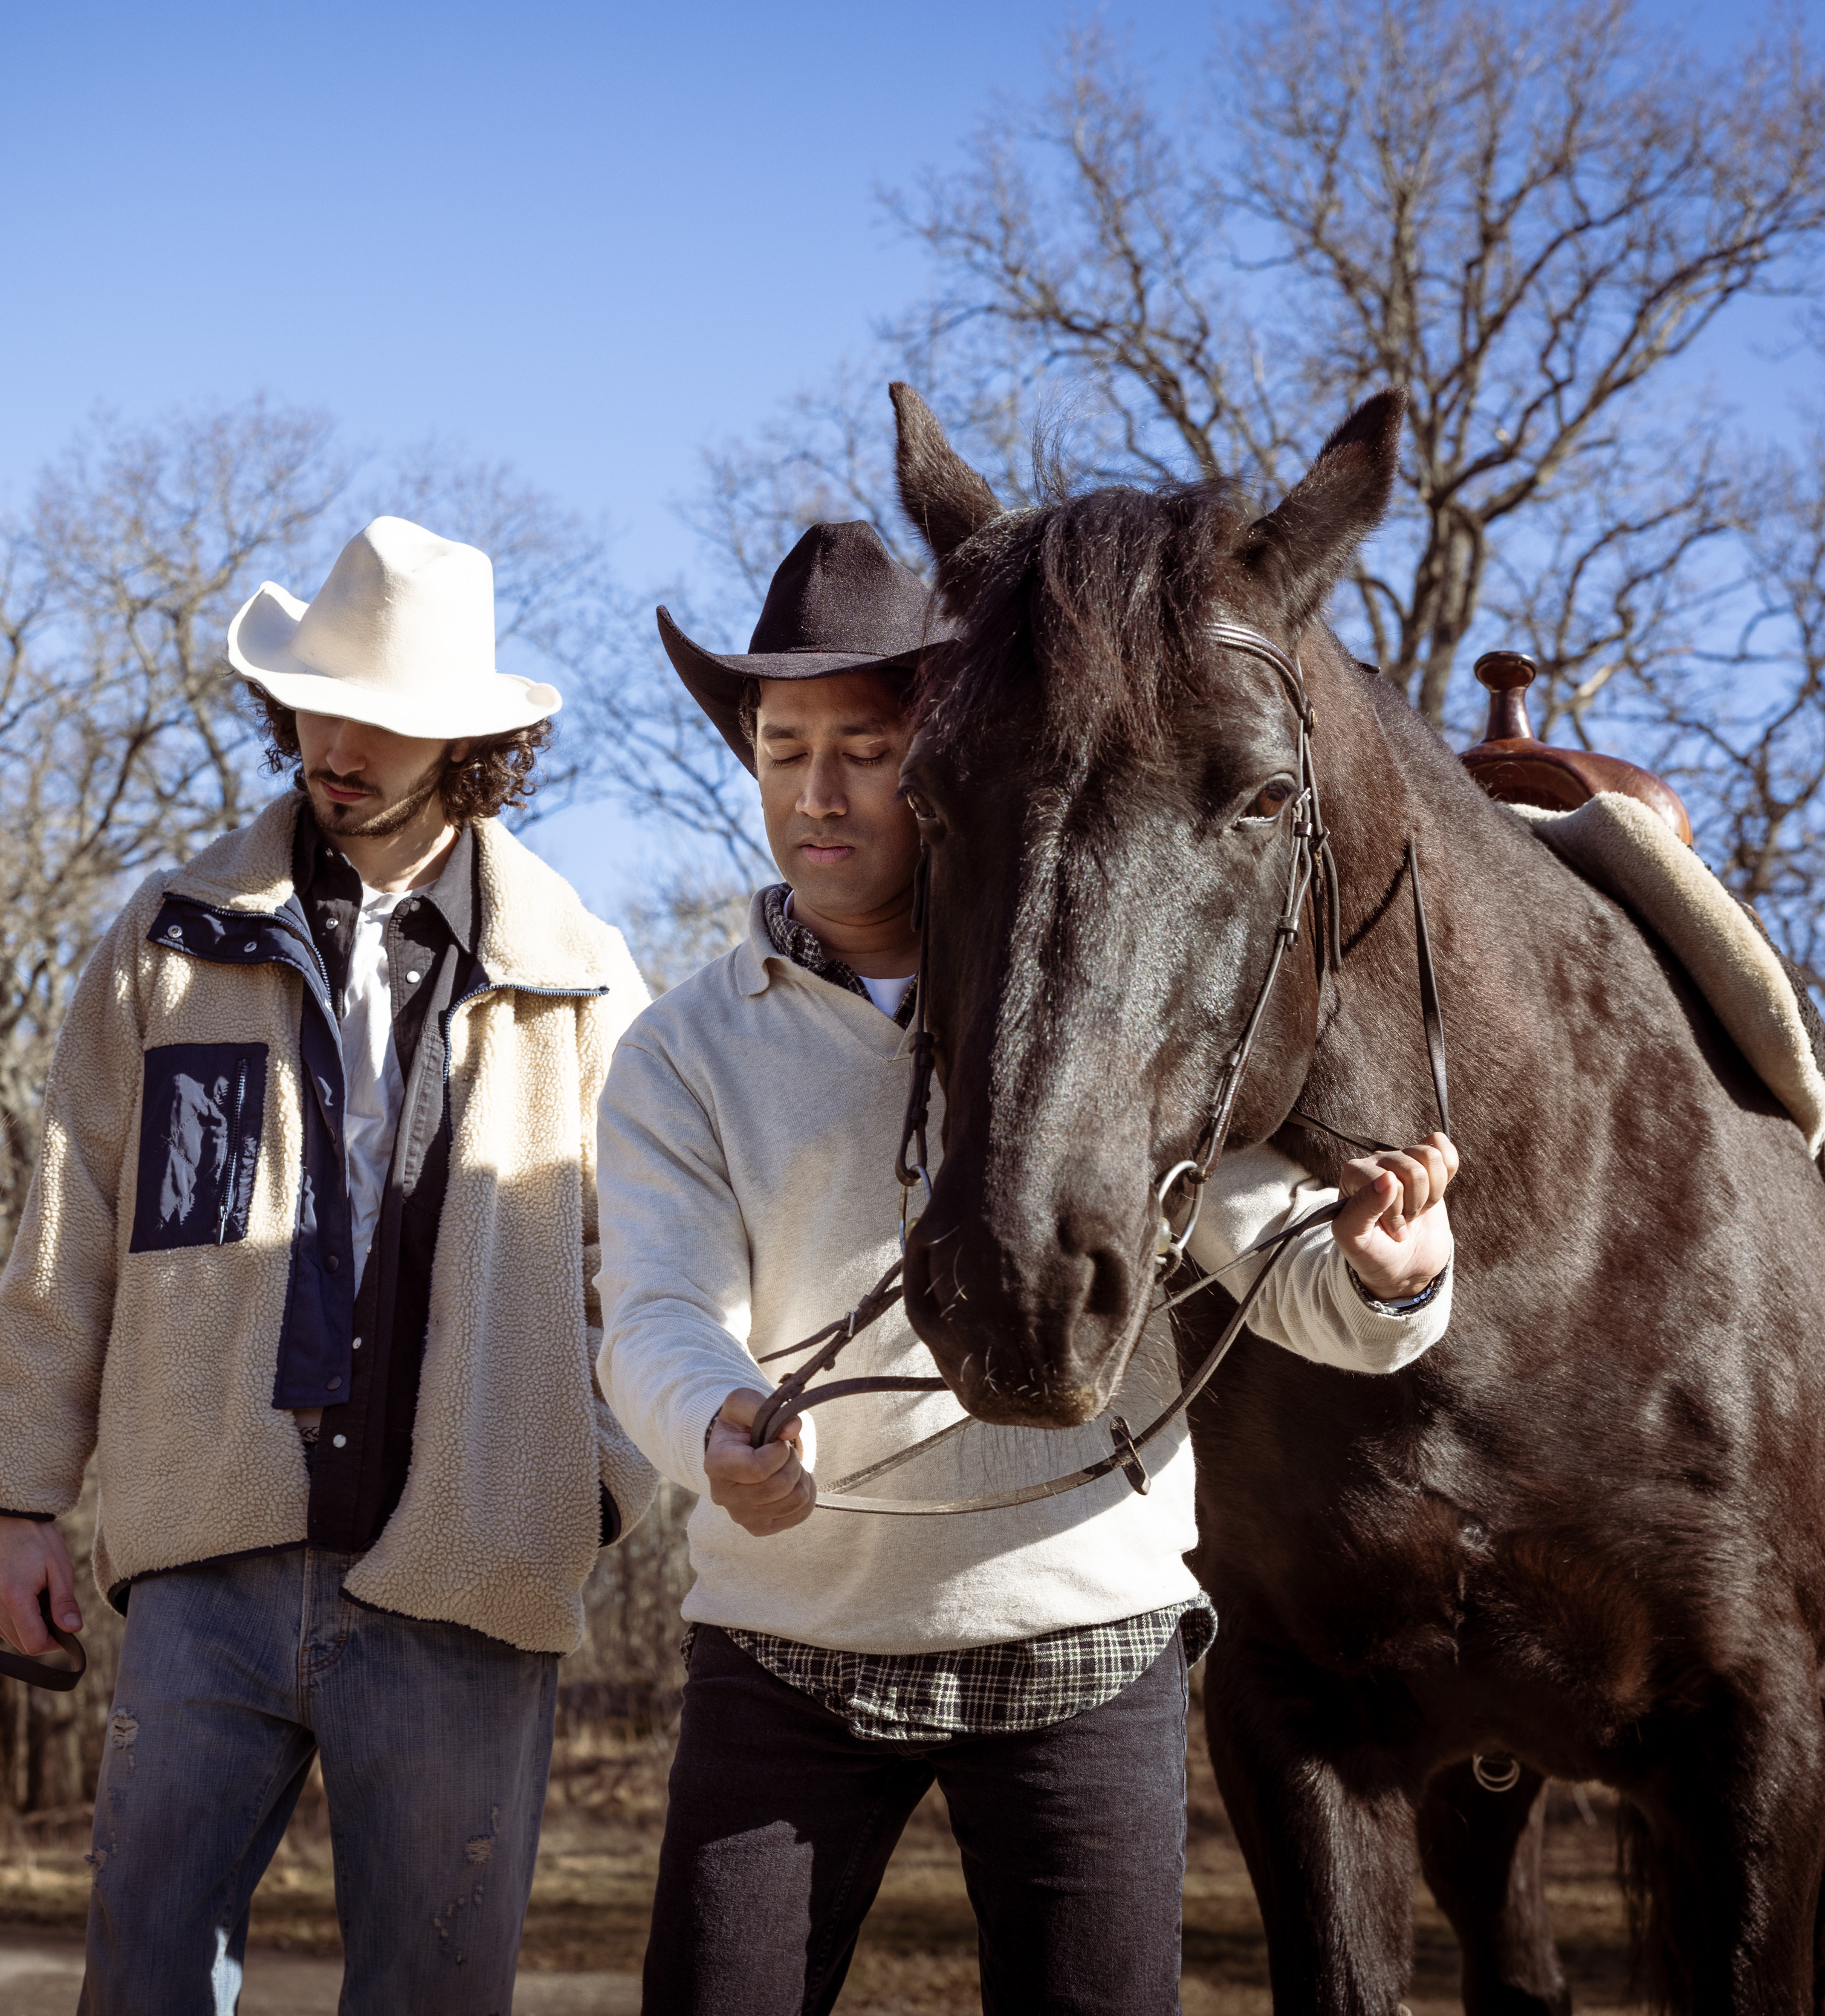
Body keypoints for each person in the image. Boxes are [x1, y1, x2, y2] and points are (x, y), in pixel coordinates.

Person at [595, 520, 1464, 2016]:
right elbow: (657, 1312)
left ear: (943, 759)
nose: (816, 792)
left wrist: (1389, 1276)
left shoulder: (1085, 993)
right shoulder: (683, 1047)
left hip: (1080, 1635)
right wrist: (709, 1426)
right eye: (783, 749)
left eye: (864, 749)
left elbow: (1268, 1258)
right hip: (785, 1641)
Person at [0, 514, 657, 2015]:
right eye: (320, 702)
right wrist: (13, 1501)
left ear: (468, 742)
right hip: (204, 1560)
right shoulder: (169, 939)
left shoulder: (582, 974)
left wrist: (587, 1485)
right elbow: (70, 1222)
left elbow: (648, 1264)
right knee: (142, 1990)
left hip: (471, 1573)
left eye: (385, 717)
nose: (340, 745)